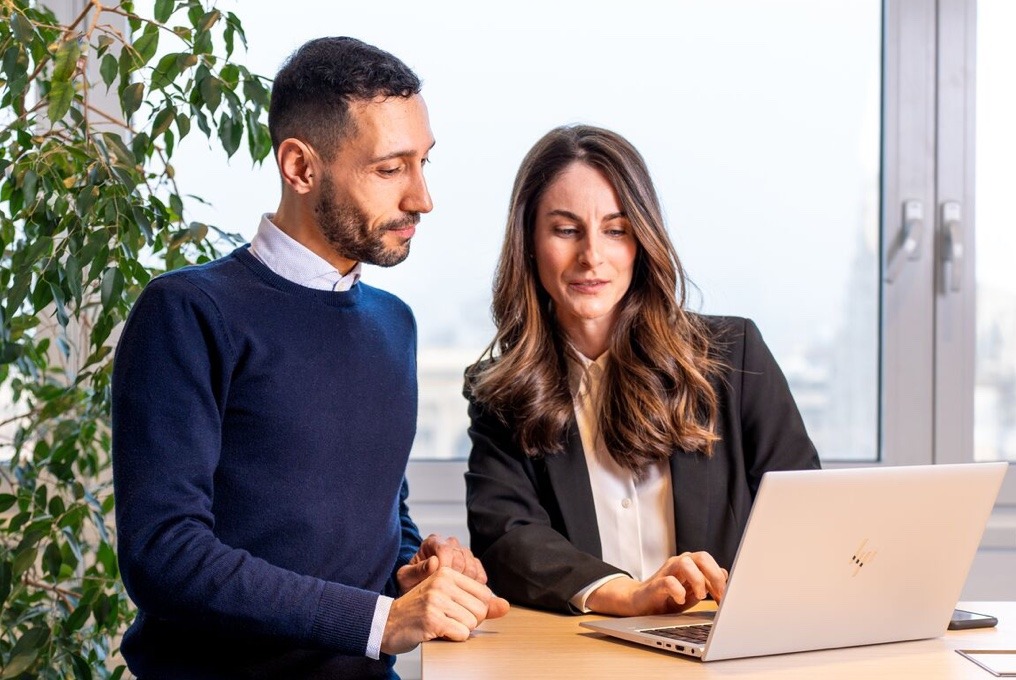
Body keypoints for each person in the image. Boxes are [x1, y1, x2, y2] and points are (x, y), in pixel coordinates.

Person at [111, 37, 507, 679]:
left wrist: (412, 566)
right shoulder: (186, 312)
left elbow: (379, 512)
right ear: (299, 167)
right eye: (390, 168)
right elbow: (165, 556)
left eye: (424, 162)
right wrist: (384, 621)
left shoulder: (392, 324)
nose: (421, 198)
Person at [464, 124, 820, 618]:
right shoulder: (501, 393)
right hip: (584, 654)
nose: (592, 256)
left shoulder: (734, 356)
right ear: (529, 242)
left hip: (721, 643)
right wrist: (626, 594)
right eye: (566, 230)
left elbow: (805, 511)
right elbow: (507, 538)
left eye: (616, 230)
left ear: (642, 241)